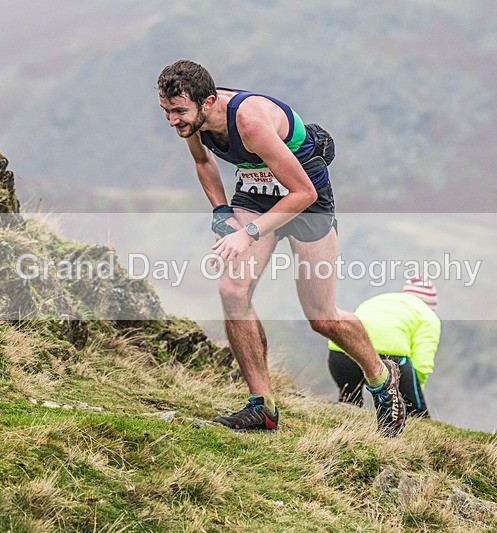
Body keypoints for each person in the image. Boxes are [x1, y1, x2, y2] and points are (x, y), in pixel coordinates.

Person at [157, 59, 406, 435]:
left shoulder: (250, 121)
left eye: (178, 112)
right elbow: (202, 160)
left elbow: (302, 192)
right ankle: (263, 407)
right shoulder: (193, 121)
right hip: (256, 192)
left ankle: (381, 377)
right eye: (166, 111)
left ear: (208, 101)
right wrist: (221, 211)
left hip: (306, 194)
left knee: (321, 316)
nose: (172, 120)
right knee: (232, 290)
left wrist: (249, 232)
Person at [328, 278, 440, 417]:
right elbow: (422, 361)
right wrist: (413, 390)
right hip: (388, 356)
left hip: (341, 351)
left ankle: (340, 430)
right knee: (417, 414)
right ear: (431, 305)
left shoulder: (379, 299)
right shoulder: (428, 315)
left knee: (350, 402)